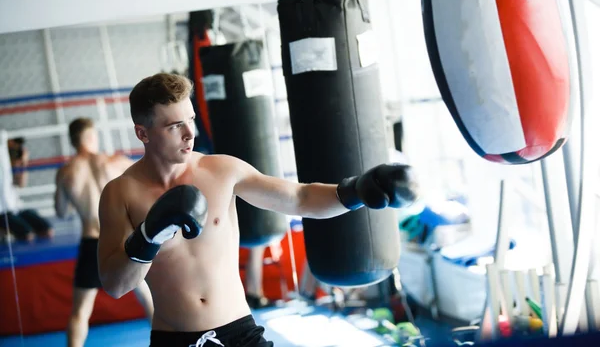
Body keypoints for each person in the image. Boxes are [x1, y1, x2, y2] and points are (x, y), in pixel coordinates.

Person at [97, 73, 418, 347]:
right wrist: (149, 235)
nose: (190, 134)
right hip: (174, 339)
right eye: (174, 126)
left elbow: (300, 198)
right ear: (143, 133)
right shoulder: (120, 193)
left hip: (240, 332)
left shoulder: (220, 171)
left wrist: (356, 191)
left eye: (191, 120)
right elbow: (115, 284)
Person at [55, 118, 154, 347]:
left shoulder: (66, 172)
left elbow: (61, 212)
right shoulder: (114, 162)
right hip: (122, 240)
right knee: (147, 297)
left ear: (73, 141)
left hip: (91, 243)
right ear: (91, 137)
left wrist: (75, 196)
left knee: (80, 312)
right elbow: (150, 180)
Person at [0, 137, 54, 242]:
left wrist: (23, 162)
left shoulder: (11, 166)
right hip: (2, 212)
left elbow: (21, 183)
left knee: (47, 230)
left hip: (17, 209)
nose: (16, 151)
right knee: (28, 235)